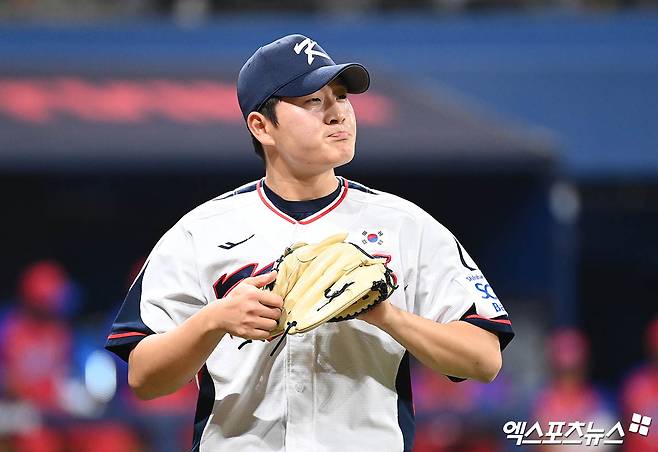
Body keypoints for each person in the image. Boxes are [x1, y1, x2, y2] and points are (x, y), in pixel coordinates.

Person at [105, 34, 515, 452]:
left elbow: (484, 359)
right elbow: (144, 378)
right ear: (261, 126)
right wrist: (214, 320)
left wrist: (387, 316)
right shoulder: (200, 231)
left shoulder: (406, 226)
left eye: (341, 96)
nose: (338, 113)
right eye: (313, 101)